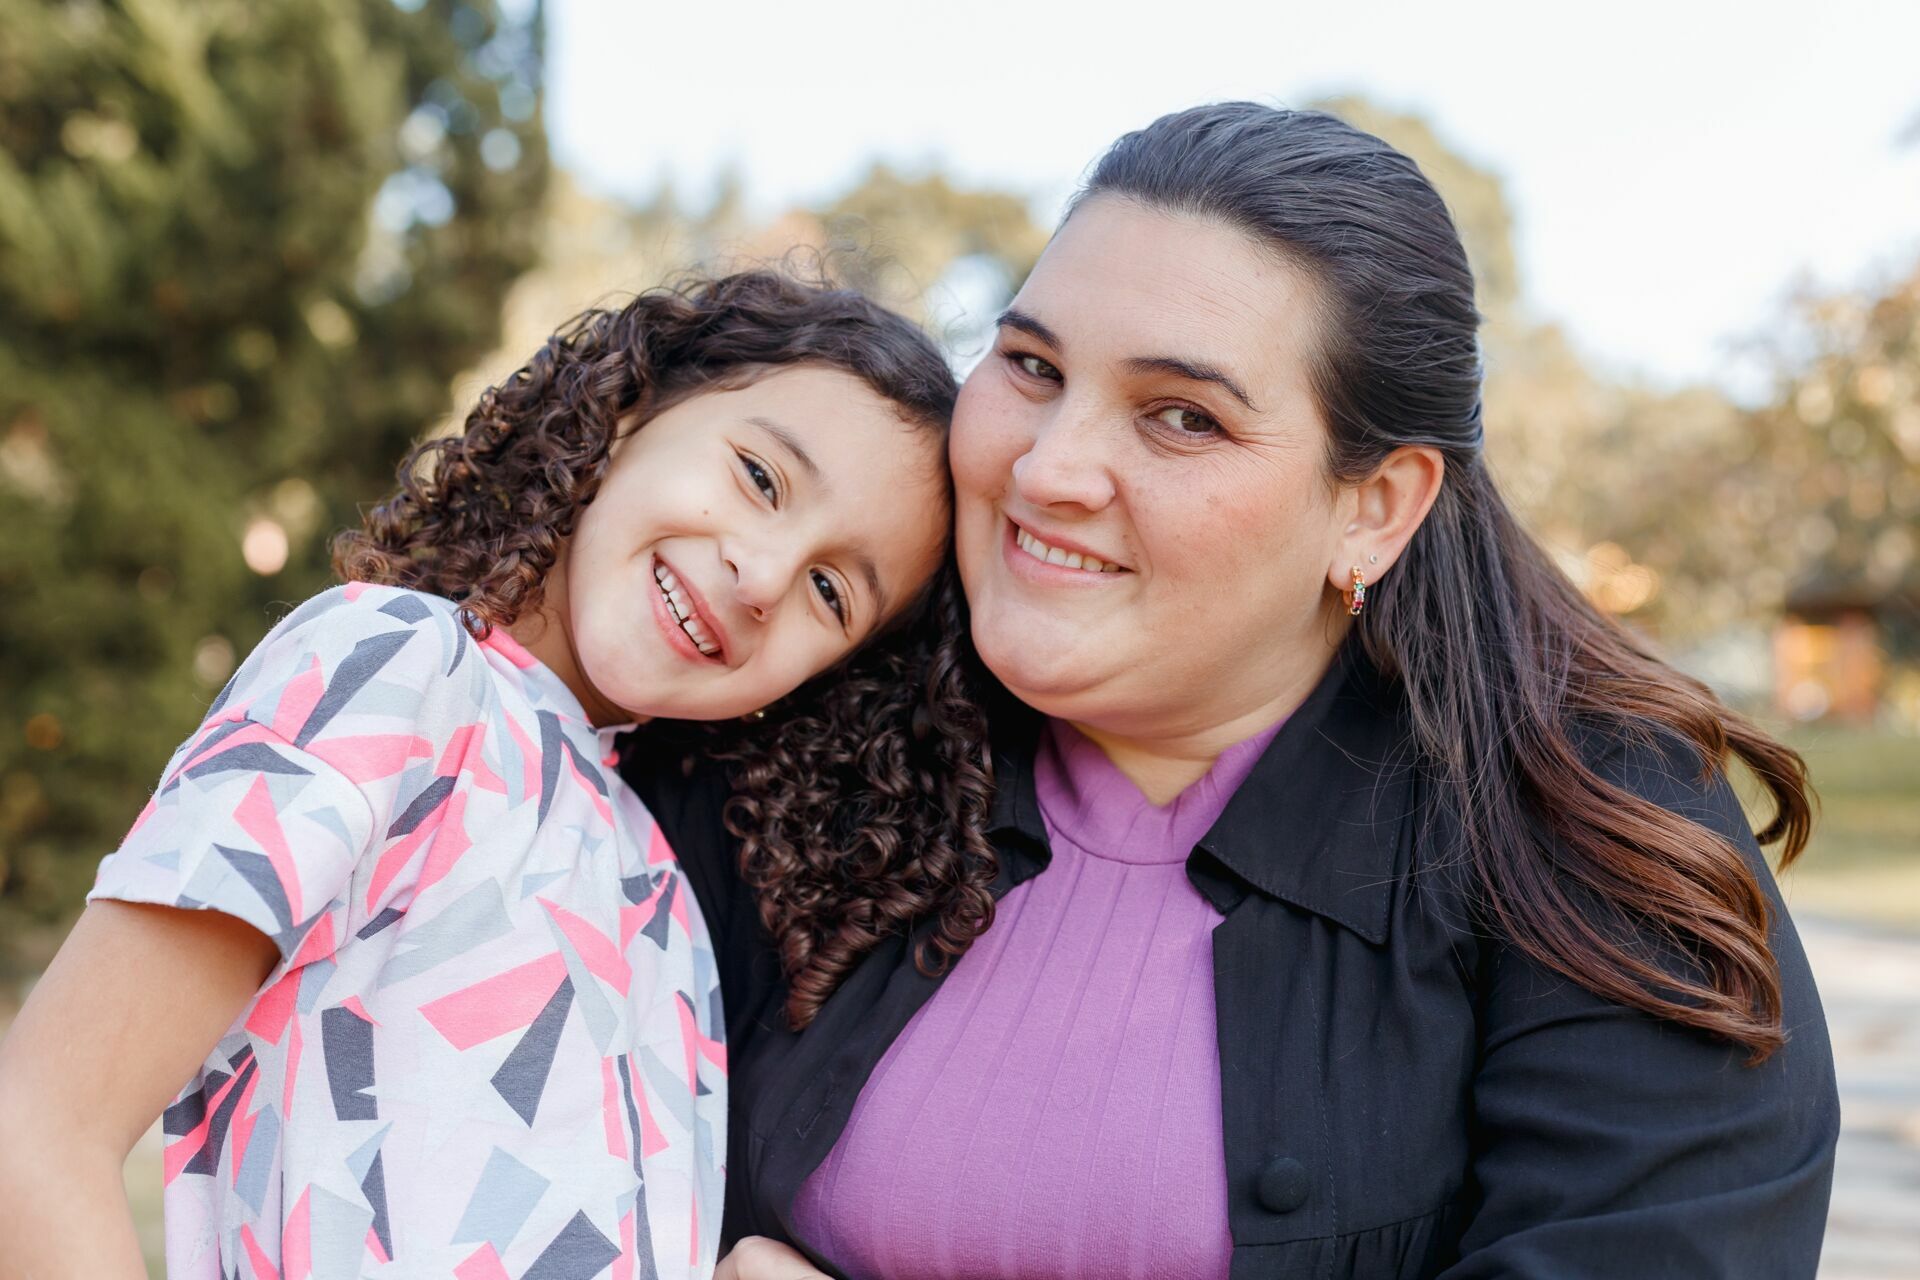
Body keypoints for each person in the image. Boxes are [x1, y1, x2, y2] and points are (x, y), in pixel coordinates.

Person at [628, 106, 1842, 1279]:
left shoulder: (1588, 826)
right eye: (1033, 365)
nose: (1048, 468)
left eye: (1182, 417)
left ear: (1374, 508)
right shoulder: (807, 720)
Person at [0, 270, 967, 1280]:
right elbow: (40, 1130)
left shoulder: (669, 907)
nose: (763, 578)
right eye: (761, 477)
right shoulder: (396, 667)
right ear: (630, 411)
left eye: (830, 590)